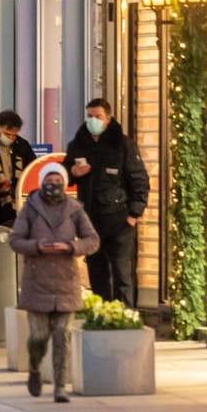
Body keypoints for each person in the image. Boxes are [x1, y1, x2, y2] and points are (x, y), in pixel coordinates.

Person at [9, 163, 99, 403]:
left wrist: (72, 247)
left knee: (63, 334)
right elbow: (15, 240)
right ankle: (35, 367)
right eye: (49, 180)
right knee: (38, 335)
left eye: (58, 181)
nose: (54, 185)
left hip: (66, 281)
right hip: (37, 280)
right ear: (41, 182)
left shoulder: (75, 209)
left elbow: (92, 239)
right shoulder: (30, 208)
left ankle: (60, 386)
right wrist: (36, 246)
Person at [63, 98, 149, 306]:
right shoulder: (78, 144)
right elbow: (64, 172)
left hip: (119, 220)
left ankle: (124, 317)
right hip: (90, 221)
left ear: (108, 118)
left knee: (122, 273)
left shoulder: (122, 144)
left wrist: (133, 215)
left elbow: (139, 179)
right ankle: (101, 315)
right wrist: (72, 172)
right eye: (90, 116)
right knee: (97, 271)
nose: (93, 120)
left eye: (98, 116)